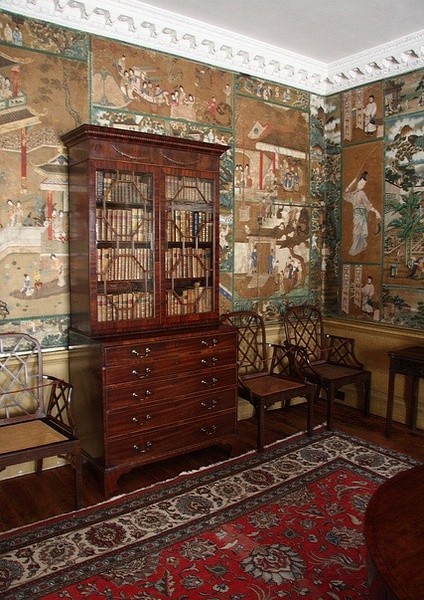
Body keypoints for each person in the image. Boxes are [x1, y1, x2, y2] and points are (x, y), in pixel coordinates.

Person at [344, 171, 381, 256]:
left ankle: (355, 248)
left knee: (358, 232)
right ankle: (361, 245)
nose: (362, 186)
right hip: (356, 216)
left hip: (361, 216)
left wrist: (376, 212)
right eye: (361, 183)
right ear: (357, 183)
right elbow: (345, 195)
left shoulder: (362, 193)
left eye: (364, 184)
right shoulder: (353, 194)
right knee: (357, 232)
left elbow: (368, 205)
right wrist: (351, 183)